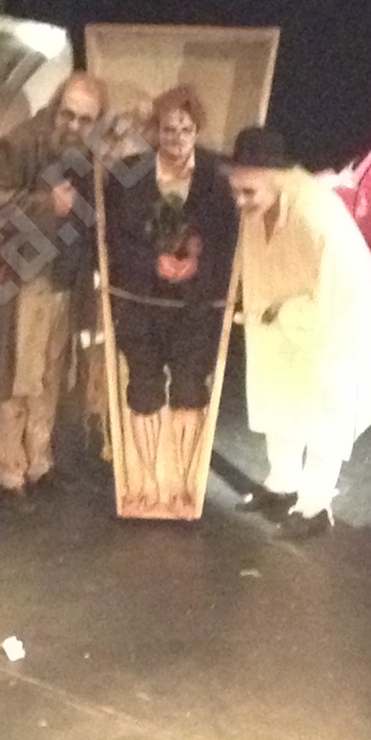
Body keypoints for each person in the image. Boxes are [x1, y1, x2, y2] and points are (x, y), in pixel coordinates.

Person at [225, 127, 371, 538]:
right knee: (278, 394)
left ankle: (315, 505)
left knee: (323, 410)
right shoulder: (260, 204)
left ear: (277, 179)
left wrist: (285, 312)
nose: (240, 201)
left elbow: (342, 286)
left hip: (334, 322)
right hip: (281, 314)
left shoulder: (314, 213)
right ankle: (282, 483)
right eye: (236, 190)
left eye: (248, 192)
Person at [0, 72, 109, 500]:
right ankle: (8, 468)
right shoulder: (22, 142)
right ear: (56, 107)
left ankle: (39, 461)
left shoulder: (87, 153)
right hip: (23, 276)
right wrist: (46, 205)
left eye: (85, 119)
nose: (74, 125)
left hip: (63, 277)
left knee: (50, 373)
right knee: (19, 373)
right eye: (68, 115)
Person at [106, 85, 239, 515]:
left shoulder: (217, 179)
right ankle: (145, 482)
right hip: (140, 302)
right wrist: (153, 262)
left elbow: (228, 243)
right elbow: (113, 241)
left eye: (185, 130)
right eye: (168, 130)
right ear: (156, 131)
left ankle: (181, 484)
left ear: (196, 130)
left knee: (188, 390)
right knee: (143, 388)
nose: (176, 139)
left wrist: (196, 263)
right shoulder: (128, 174)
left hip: (195, 307)